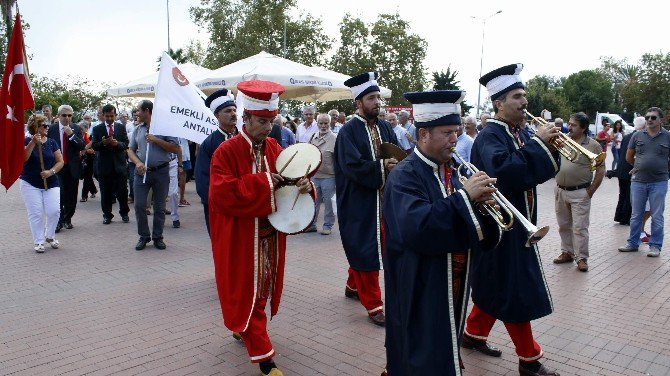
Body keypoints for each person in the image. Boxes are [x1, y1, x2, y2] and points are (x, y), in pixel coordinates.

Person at [383, 90, 501, 375]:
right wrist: (464, 199)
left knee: (443, 341)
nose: (455, 140)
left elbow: (467, 224)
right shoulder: (405, 174)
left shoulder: (454, 170)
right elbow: (417, 228)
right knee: (420, 350)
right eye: (448, 132)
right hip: (419, 281)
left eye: (457, 132)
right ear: (423, 134)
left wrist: (484, 209)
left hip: (452, 279)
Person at [209, 80, 312, 376]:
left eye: (272, 121)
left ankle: (242, 327)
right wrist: (266, 182)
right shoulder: (225, 152)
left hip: (269, 237)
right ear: (247, 119)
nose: (269, 128)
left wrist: (304, 184)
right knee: (247, 292)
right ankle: (266, 360)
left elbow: (291, 178)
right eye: (263, 122)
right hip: (240, 239)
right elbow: (221, 193)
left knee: (262, 289)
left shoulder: (274, 147)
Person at [464, 64, 561, 376]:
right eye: (517, 96)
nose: (525, 102)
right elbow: (505, 174)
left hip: (520, 225)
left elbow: (538, 170)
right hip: (500, 228)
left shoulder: (519, 133)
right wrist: (537, 146)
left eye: (525, 95)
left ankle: (472, 334)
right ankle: (529, 360)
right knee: (514, 291)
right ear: (499, 103)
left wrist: (548, 147)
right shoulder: (490, 136)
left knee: (497, 285)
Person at [334, 71, 399, 326]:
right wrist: (383, 167)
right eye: (371, 98)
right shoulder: (348, 132)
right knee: (365, 248)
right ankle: (374, 305)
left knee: (374, 247)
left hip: (383, 200)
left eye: (378, 97)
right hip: (359, 201)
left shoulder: (384, 126)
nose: (377, 102)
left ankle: (353, 285)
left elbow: (397, 152)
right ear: (358, 102)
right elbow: (352, 166)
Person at [552, 112, 605, 272]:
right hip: (560, 190)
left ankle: (581, 258)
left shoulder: (593, 145)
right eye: (569, 123)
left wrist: (591, 191)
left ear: (583, 128)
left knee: (580, 227)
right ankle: (567, 252)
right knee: (563, 225)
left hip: (580, 192)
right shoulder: (562, 140)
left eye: (574, 125)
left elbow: (601, 169)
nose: (570, 127)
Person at [127, 100, 180, 250]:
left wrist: (156, 140)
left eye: (139, 110)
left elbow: (175, 148)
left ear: (147, 111)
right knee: (139, 205)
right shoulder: (138, 130)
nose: (137, 113)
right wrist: (137, 162)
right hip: (141, 173)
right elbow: (130, 150)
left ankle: (158, 237)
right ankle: (144, 236)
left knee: (159, 207)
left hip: (161, 172)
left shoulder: (165, 128)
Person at [618, 107, 670, 257]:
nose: (649, 120)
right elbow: (629, 156)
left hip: (659, 181)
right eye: (647, 117)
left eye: (653, 117)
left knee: (657, 215)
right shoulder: (637, 136)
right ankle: (633, 243)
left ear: (661, 120)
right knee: (636, 214)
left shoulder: (667, 137)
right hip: (638, 181)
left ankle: (655, 246)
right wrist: (638, 166)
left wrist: (662, 169)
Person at [194, 89, 238, 234]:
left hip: (242, 202)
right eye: (227, 111)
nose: (233, 114)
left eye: (234, 110)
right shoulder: (209, 143)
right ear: (217, 115)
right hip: (219, 205)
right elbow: (202, 178)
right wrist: (212, 202)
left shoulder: (245, 138)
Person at [20, 114, 64, 252]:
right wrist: (33, 142)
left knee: (54, 211)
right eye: (43, 125)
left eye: (47, 125)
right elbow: (23, 159)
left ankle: (49, 235)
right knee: (36, 213)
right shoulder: (26, 140)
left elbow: (60, 161)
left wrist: (51, 172)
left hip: (51, 181)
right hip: (30, 182)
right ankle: (38, 241)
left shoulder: (52, 142)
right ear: (35, 127)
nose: (47, 127)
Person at [47, 105, 84, 233]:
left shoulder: (76, 128)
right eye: (64, 115)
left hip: (72, 167)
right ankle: (59, 221)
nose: (67, 118)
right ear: (58, 116)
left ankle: (68, 219)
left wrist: (71, 135)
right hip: (57, 167)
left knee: (71, 195)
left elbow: (81, 146)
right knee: (59, 195)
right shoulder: (51, 129)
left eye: (69, 115)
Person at [91, 104, 130, 225]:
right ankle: (107, 215)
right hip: (104, 167)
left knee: (122, 192)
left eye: (111, 116)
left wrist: (116, 144)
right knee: (105, 193)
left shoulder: (120, 127)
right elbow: (94, 146)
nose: (109, 119)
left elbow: (126, 144)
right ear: (103, 115)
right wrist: (103, 143)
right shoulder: (97, 129)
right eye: (107, 116)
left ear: (115, 115)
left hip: (119, 166)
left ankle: (124, 213)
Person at [308, 113, 337, 235]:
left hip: (329, 176)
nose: (323, 126)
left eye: (326, 123)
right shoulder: (313, 137)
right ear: (317, 124)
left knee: (329, 203)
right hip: (315, 175)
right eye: (321, 123)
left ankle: (328, 226)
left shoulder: (335, 138)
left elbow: (338, 159)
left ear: (329, 124)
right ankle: (311, 225)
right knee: (313, 202)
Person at [614, 117, 646, 225]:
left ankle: (619, 216)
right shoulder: (640, 138)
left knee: (622, 194)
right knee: (629, 195)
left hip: (621, 168)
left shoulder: (627, 136)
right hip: (629, 169)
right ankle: (626, 218)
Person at [78, 120, 98, 202]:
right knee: (86, 177)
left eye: (81, 128)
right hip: (81, 159)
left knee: (87, 177)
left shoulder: (90, 136)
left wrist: (86, 150)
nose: (80, 130)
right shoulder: (78, 136)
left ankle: (84, 196)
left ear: (87, 128)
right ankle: (93, 190)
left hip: (90, 159)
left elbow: (94, 149)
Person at [178, 138, 191, 207]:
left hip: (172, 153)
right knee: (182, 176)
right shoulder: (186, 128)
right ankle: (181, 198)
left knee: (169, 178)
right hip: (183, 154)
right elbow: (190, 142)